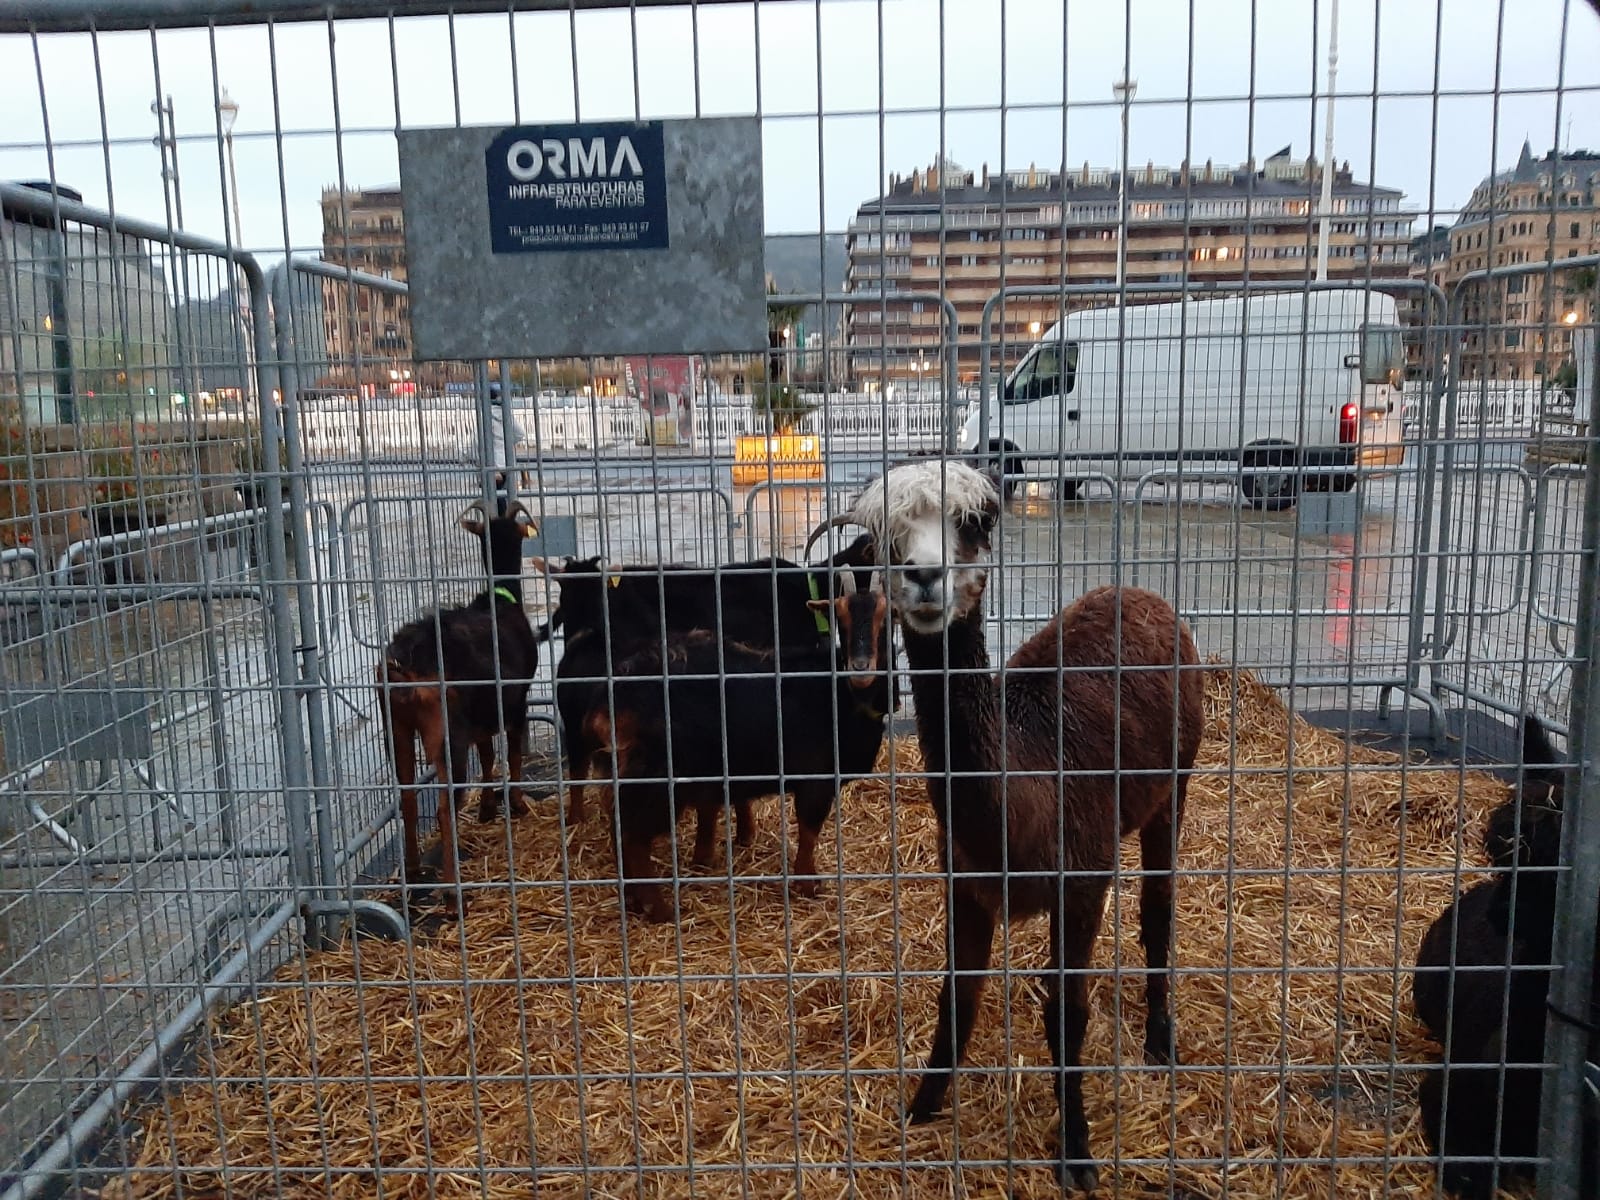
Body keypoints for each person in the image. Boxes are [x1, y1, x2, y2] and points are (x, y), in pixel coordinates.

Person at [478, 382, 527, 514]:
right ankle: (507, 522)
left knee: (492, 498)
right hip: (507, 463)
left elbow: (479, 442)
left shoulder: (485, 417)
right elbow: (520, 433)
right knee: (506, 497)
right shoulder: (506, 415)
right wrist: (507, 442)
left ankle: (498, 526)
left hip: (492, 465)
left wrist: (464, 458)